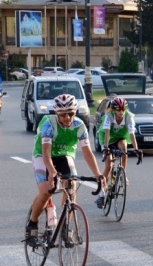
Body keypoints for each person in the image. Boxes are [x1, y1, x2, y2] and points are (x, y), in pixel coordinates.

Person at [25, 94, 106, 245]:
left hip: (64, 155)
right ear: (56, 113)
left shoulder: (80, 125)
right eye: (63, 115)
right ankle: (32, 225)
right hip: (43, 155)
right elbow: (46, 152)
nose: (67, 117)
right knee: (46, 190)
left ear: (75, 112)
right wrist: (52, 171)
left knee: (71, 185)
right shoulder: (48, 124)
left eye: (71, 113)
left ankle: (65, 227)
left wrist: (98, 174)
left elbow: (88, 152)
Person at [95, 97, 141, 209]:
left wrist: (136, 149)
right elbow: (106, 134)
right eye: (118, 110)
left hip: (120, 138)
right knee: (109, 166)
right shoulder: (108, 117)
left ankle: (122, 174)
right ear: (113, 110)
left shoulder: (129, 117)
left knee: (124, 147)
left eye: (123, 109)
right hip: (107, 139)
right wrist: (106, 148)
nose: (121, 112)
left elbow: (132, 134)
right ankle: (102, 194)